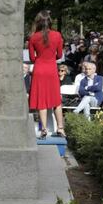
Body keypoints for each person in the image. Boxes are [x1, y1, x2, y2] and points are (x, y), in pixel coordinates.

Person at [28, 10, 66, 139]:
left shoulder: (33, 37)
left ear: (38, 22)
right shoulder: (57, 35)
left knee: (41, 101)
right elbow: (60, 55)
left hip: (39, 69)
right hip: (51, 69)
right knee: (56, 100)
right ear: (50, 21)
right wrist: (51, 57)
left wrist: (41, 57)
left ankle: (44, 129)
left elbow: (32, 58)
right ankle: (60, 128)